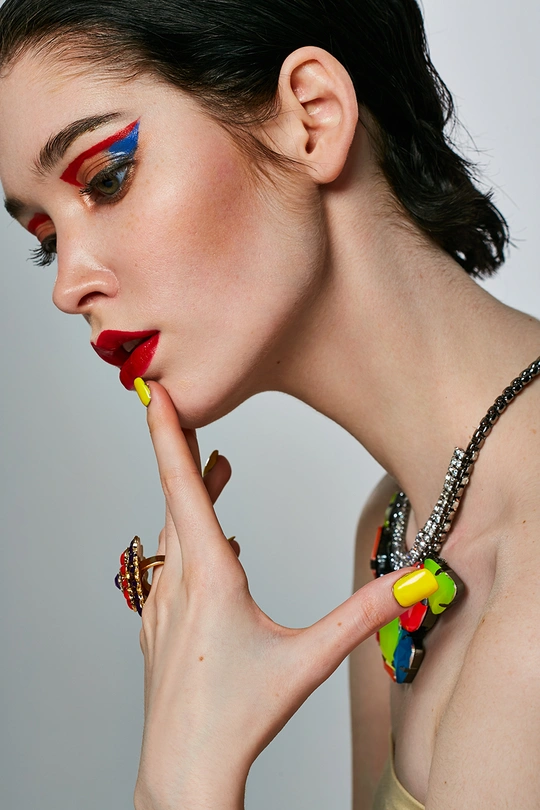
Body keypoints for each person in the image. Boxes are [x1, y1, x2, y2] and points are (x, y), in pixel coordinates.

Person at [0, 1, 539, 808]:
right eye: (48, 239)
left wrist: (180, 784)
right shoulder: (395, 536)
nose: (68, 285)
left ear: (312, 120)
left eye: (107, 179)